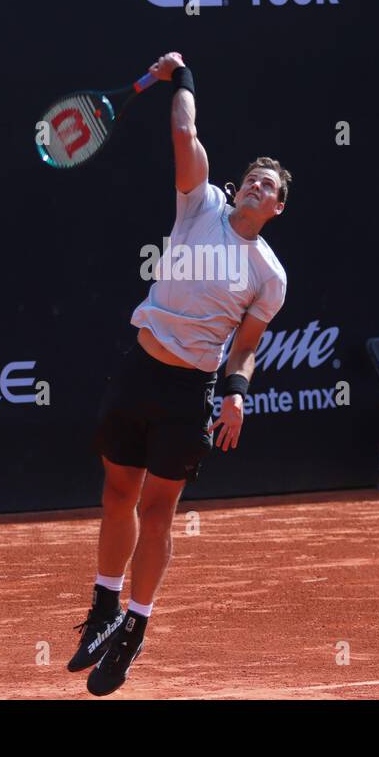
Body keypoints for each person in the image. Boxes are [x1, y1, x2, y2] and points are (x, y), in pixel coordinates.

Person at [69, 51, 290, 696]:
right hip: (141, 370)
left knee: (159, 510)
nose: (256, 186)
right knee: (116, 494)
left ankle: (133, 631)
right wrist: (182, 77)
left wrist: (237, 396)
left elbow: (244, 347)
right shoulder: (201, 207)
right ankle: (103, 609)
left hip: (189, 391)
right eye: (253, 177)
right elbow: (185, 134)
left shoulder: (270, 276)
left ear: (278, 208)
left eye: (269, 187)